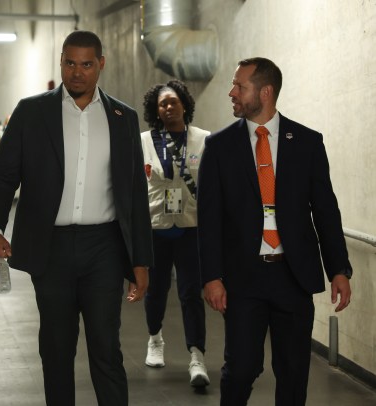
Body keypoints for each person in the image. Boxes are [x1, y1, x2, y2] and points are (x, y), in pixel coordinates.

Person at [0, 31, 153, 406]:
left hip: (104, 248)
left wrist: (140, 259)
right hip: (51, 248)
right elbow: (3, 176)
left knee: (106, 348)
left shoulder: (123, 118)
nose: (77, 72)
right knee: (56, 349)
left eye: (87, 64)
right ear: (60, 62)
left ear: (101, 64)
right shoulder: (31, 112)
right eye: (70, 63)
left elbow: (135, 195)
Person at [197, 57, 352, 406]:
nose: (232, 92)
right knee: (240, 370)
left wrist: (339, 269)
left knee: (294, 372)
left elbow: (326, 211)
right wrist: (212, 277)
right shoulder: (219, 147)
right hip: (243, 278)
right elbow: (208, 220)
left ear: (265, 92)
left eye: (240, 86)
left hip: (293, 275)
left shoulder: (308, 143)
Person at [140, 80, 210, 387]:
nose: (168, 107)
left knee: (191, 293)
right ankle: (155, 338)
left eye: (173, 102)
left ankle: (197, 355)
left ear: (184, 104)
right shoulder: (142, 141)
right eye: (162, 104)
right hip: (155, 226)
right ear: (156, 110)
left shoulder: (204, 140)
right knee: (155, 291)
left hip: (191, 227)